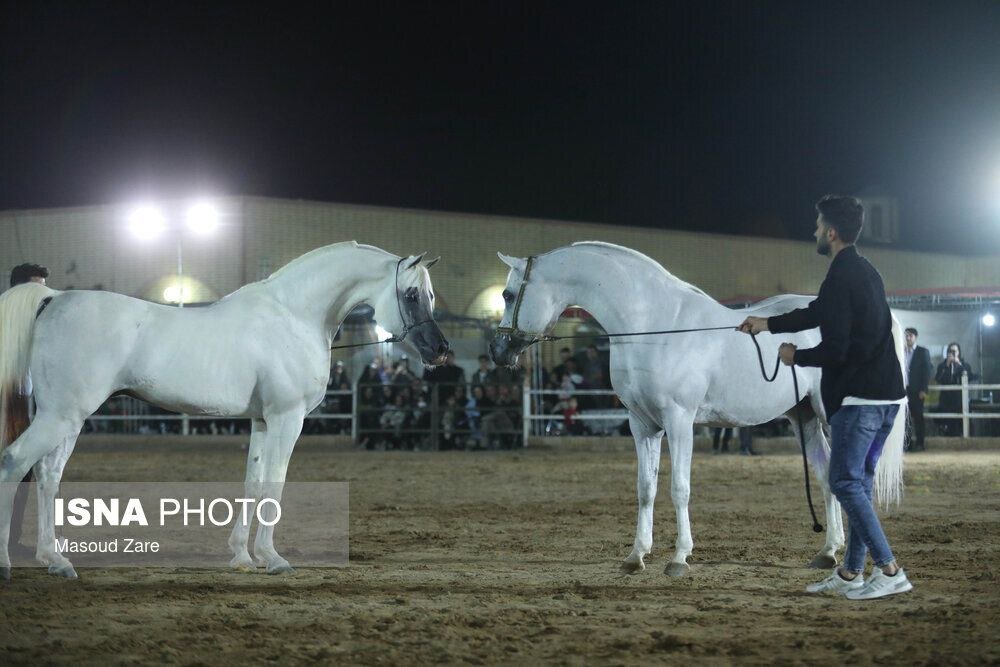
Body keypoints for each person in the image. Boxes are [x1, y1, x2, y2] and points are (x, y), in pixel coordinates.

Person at [738, 195, 912, 600]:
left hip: (860, 401)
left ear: (831, 233)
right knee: (858, 485)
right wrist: (768, 324)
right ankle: (851, 572)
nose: (814, 231)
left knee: (843, 482)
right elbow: (818, 312)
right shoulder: (863, 271)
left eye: (818, 226)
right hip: (884, 400)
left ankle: (889, 569)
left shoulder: (841, 275)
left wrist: (795, 356)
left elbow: (835, 349)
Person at [7, 263, 50, 557]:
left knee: (22, 475)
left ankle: (10, 540)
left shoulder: (42, 327)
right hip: (6, 403)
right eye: (37, 288)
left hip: (22, 407)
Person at [934, 342, 973, 437]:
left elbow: (970, 377)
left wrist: (959, 364)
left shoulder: (965, 365)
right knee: (948, 424)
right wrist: (947, 365)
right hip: (946, 400)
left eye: (955, 351)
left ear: (959, 352)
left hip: (960, 400)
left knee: (962, 423)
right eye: (950, 351)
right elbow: (938, 379)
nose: (953, 353)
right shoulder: (942, 366)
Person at [903, 328, 931, 451]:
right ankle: (908, 444)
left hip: (917, 390)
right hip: (904, 390)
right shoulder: (902, 351)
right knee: (905, 418)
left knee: (918, 417)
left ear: (915, 337)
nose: (908, 338)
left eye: (910, 336)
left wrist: (923, 389)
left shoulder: (922, 351)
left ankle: (920, 443)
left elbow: (927, 372)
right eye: (906, 336)